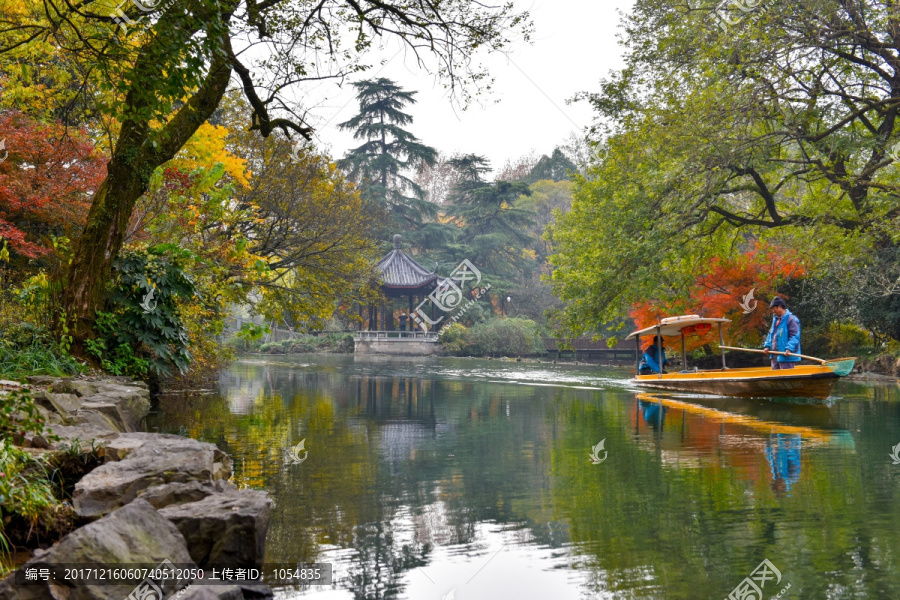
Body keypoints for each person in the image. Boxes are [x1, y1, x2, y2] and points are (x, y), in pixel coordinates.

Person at [763, 297, 801, 369]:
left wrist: (789, 348)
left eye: (774, 309)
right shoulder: (775, 319)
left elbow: (795, 336)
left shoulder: (791, 319)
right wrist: (767, 346)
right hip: (774, 355)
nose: (773, 311)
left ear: (780, 307)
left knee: (787, 378)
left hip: (786, 355)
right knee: (775, 378)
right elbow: (770, 334)